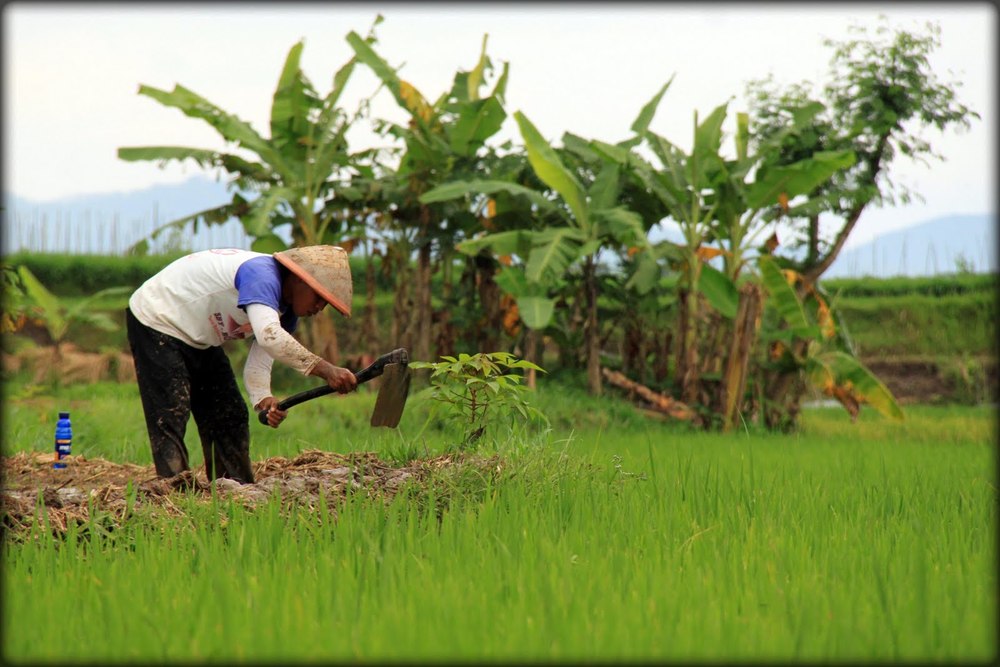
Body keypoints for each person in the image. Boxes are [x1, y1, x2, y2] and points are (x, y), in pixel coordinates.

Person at [125, 246, 357, 484]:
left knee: (230, 413)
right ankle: (173, 491)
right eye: (319, 298)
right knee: (171, 413)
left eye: (326, 304)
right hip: (157, 318)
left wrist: (264, 398)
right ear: (299, 279)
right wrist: (328, 370)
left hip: (199, 337)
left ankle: (233, 490)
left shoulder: (287, 312)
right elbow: (270, 336)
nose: (319, 308)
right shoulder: (262, 276)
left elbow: (260, 362)